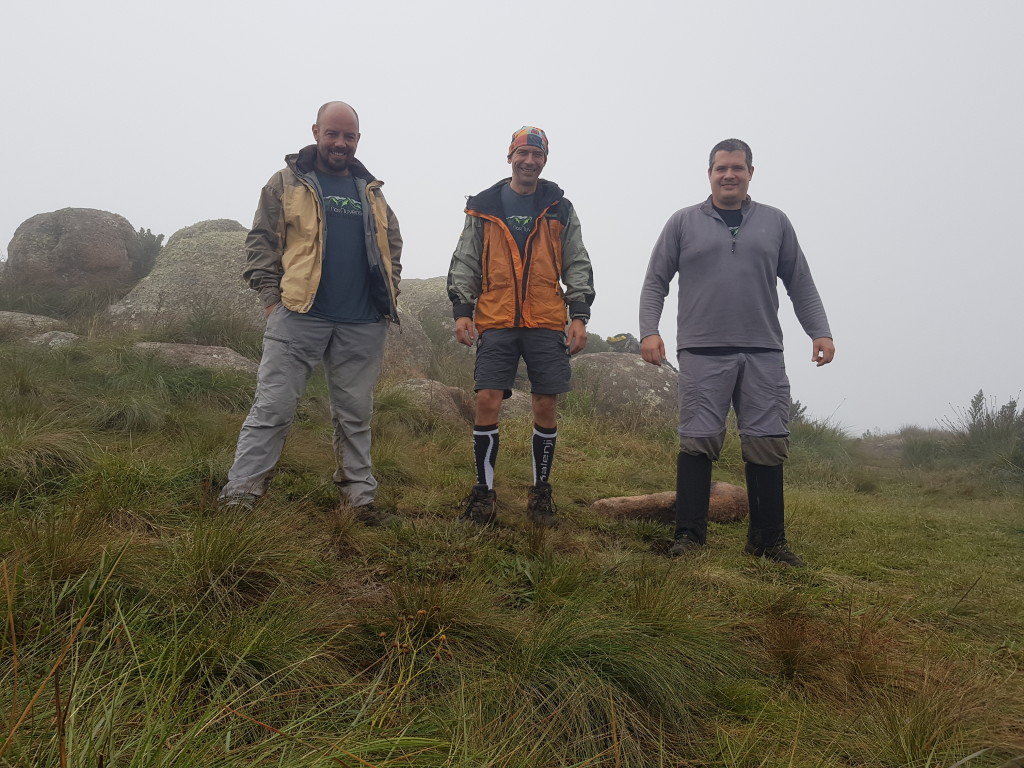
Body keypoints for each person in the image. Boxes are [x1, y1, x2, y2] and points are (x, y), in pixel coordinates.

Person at [639, 138, 834, 566]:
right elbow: (656, 281)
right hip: (702, 350)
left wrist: (819, 332)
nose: (729, 175)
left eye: (737, 168)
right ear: (709, 173)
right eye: (721, 168)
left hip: (763, 350)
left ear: (750, 173)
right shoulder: (683, 222)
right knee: (698, 440)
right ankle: (688, 537)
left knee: (767, 442)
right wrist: (649, 331)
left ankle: (768, 542)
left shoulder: (776, 222)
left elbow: (800, 282)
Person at [218, 101, 402, 524]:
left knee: (356, 415)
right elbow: (260, 240)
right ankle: (240, 494)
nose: (340, 143)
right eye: (332, 133)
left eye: (349, 136)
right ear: (316, 131)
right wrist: (271, 299)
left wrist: (388, 294)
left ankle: (359, 501)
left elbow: (391, 245)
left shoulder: (371, 191)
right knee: (273, 407)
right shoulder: (286, 182)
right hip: (299, 314)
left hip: (363, 321)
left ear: (358, 139)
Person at [447, 126, 595, 527]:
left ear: (545, 160)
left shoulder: (559, 207)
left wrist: (579, 315)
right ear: (510, 156)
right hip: (496, 317)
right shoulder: (483, 207)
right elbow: (466, 259)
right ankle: (483, 494)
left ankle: (540, 494)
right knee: (487, 399)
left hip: (546, 319)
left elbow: (576, 260)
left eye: (537, 155)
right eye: (523, 153)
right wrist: (463, 310)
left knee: (545, 404)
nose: (529, 161)